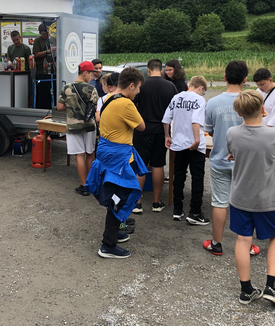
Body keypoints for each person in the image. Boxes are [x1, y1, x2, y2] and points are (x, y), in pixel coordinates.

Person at [226, 91, 275, 307]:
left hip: (240, 197)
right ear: (263, 109)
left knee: (243, 240)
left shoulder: (232, 133)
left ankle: (246, 290)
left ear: (239, 112)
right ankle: (271, 285)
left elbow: (233, 152)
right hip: (267, 198)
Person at [85, 67, 147, 259]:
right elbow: (141, 126)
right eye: (137, 89)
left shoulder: (109, 98)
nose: (137, 93)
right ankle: (107, 245)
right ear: (131, 85)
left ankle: (113, 234)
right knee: (120, 196)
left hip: (106, 152)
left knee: (114, 193)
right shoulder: (127, 104)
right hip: (117, 157)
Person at [203, 60, 260, 257]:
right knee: (245, 202)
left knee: (219, 202)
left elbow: (207, 131)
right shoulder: (255, 100)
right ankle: (248, 244)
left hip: (220, 158)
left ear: (224, 77)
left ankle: (217, 244)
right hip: (247, 162)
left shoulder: (212, 103)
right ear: (246, 79)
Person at [162, 75, 209, 225]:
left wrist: (167, 136)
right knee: (197, 178)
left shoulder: (177, 97)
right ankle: (195, 211)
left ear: (190, 84)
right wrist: (196, 140)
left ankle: (177, 209)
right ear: (201, 88)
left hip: (178, 143)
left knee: (179, 176)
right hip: (194, 144)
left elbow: (165, 119)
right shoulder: (199, 100)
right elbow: (196, 120)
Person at [133, 59, 177, 213]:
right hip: (162, 131)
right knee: (158, 165)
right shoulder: (170, 86)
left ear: (148, 70)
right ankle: (156, 203)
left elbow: (133, 105)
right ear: (162, 70)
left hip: (142, 129)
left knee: (141, 165)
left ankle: (137, 203)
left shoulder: (141, 85)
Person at [57, 61, 99, 196]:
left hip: (74, 126)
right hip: (89, 126)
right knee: (90, 153)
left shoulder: (67, 88)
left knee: (79, 155)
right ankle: (92, 184)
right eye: (92, 74)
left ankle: (84, 185)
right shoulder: (91, 89)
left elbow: (59, 107)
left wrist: (70, 107)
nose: (92, 77)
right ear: (85, 73)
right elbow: (96, 108)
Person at [33, 23, 57, 108]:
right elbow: (36, 55)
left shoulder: (54, 40)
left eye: (47, 33)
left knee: (54, 94)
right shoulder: (37, 41)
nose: (46, 35)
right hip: (42, 72)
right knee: (43, 96)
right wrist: (47, 51)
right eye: (44, 34)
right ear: (40, 33)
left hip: (54, 71)